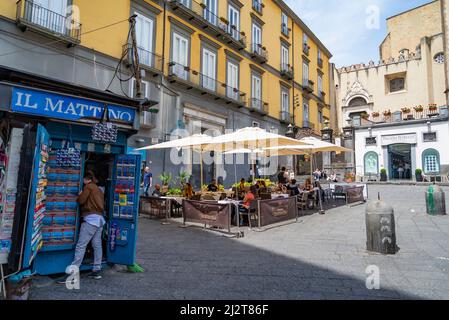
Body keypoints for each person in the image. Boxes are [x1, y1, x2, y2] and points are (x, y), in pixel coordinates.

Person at [59, 173, 105, 283]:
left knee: (81, 245)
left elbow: (81, 201)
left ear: (86, 179)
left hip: (90, 220)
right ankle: (96, 270)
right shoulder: (98, 189)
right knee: (97, 245)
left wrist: (80, 195)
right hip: (99, 220)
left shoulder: (88, 187)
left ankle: (72, 274)